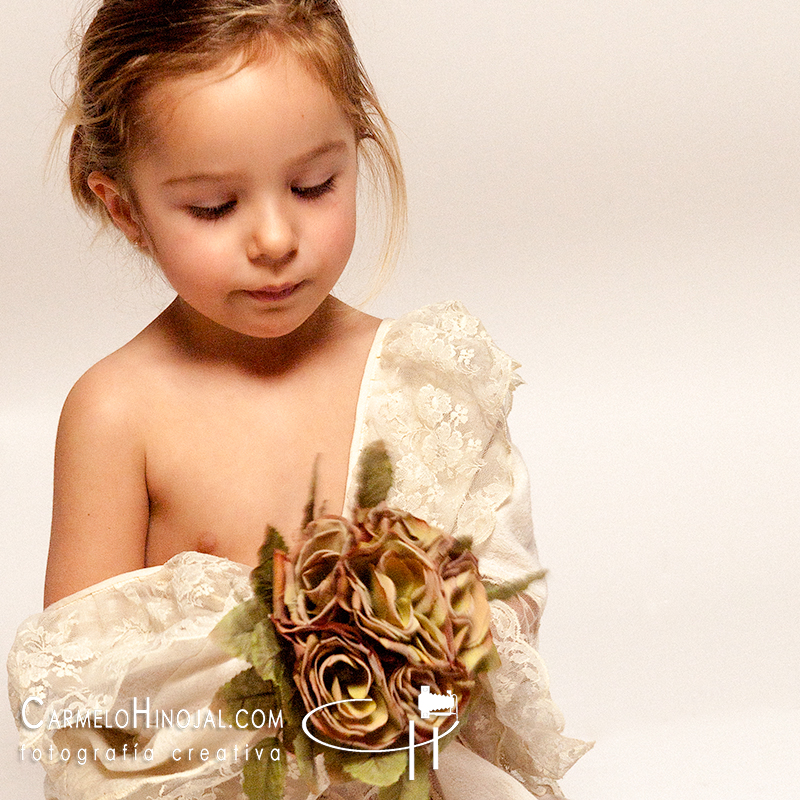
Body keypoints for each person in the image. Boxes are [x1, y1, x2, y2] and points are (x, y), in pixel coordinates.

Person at [7, 2, 590, 798]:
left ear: (358, 149)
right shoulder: (118, 412)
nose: (275, 238)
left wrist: (426, 637)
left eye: (314, 185)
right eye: (214, 206)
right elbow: (80, 691)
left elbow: (508, 603)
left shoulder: (426, 381)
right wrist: (271, 675)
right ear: (125, 209)